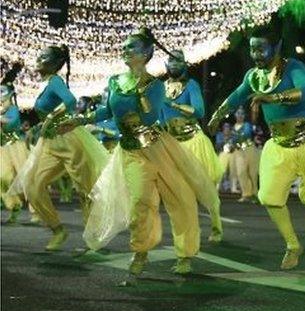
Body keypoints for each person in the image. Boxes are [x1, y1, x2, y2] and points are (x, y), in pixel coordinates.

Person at [73, 29, 218, 274]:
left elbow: (149, 116)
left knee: (181, 199)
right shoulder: (115, 82)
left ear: (146, 54)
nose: (125, 50)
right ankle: (141, 251)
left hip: (158, 148)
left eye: (131, 47)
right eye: (125, 46)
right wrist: (78, 120)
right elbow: (106, 112)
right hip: (130, 151)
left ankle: (185, 254)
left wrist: (141, 91)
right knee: (140, 202)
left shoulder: (155, 86)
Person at [209, 34, 305, 270]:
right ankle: (293, 245)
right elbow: (238, 95)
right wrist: (218, 113)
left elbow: (304, 90)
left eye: (261, 49)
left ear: (277, 46)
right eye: (253, 50)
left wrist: (272, 97)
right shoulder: (253, 77)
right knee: (269, 197)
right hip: (279, 144)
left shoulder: (293, 67)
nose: (256, 55)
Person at [7, 46, 108, 250]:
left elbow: (70, 101)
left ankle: (95, 240)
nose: (38, 58)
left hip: (69, 139)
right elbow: (48, 112)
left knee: (85, 190)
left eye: (43, 57)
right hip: (50, 142)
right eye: (39, 54)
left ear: (53, 63)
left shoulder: (55, 81)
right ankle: (58, 230)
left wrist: (52, 117)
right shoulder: (47, 85)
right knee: (32, 184)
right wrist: (39, 125)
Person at [161, 50, 224, 243]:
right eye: (171, 59)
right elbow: (160, 117)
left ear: (185, 64)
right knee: (179, 191)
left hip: (193, 141)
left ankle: (216, 225)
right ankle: (186, 232)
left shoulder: (191, 85)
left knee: (205, 187)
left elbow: (199, 110)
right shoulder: (161, 87)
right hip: (173, 144)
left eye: (178, 60)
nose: (174, 64)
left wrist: (173, 106)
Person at [1, 81, 29, 224]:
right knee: (3, 178)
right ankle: (13, 205)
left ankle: (36, 209)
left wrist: (1, 120)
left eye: (2, 92)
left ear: (10, 95)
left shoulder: (13, 110)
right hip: (2, 149)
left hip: (16, 147)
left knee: (25, 180)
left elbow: (12, 124)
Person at [230, 107, 260, 202]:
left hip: (249, 149)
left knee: (252, 172)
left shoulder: (247, 125)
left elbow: (247, 134)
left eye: (242, 114)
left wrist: (236, 139)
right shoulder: (233, 127)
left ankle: (255, 193)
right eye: (238, 114)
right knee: (241, 172)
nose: (240, 116)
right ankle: (246, 193)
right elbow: (233, 139)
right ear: (235, 115)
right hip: (239, 151)